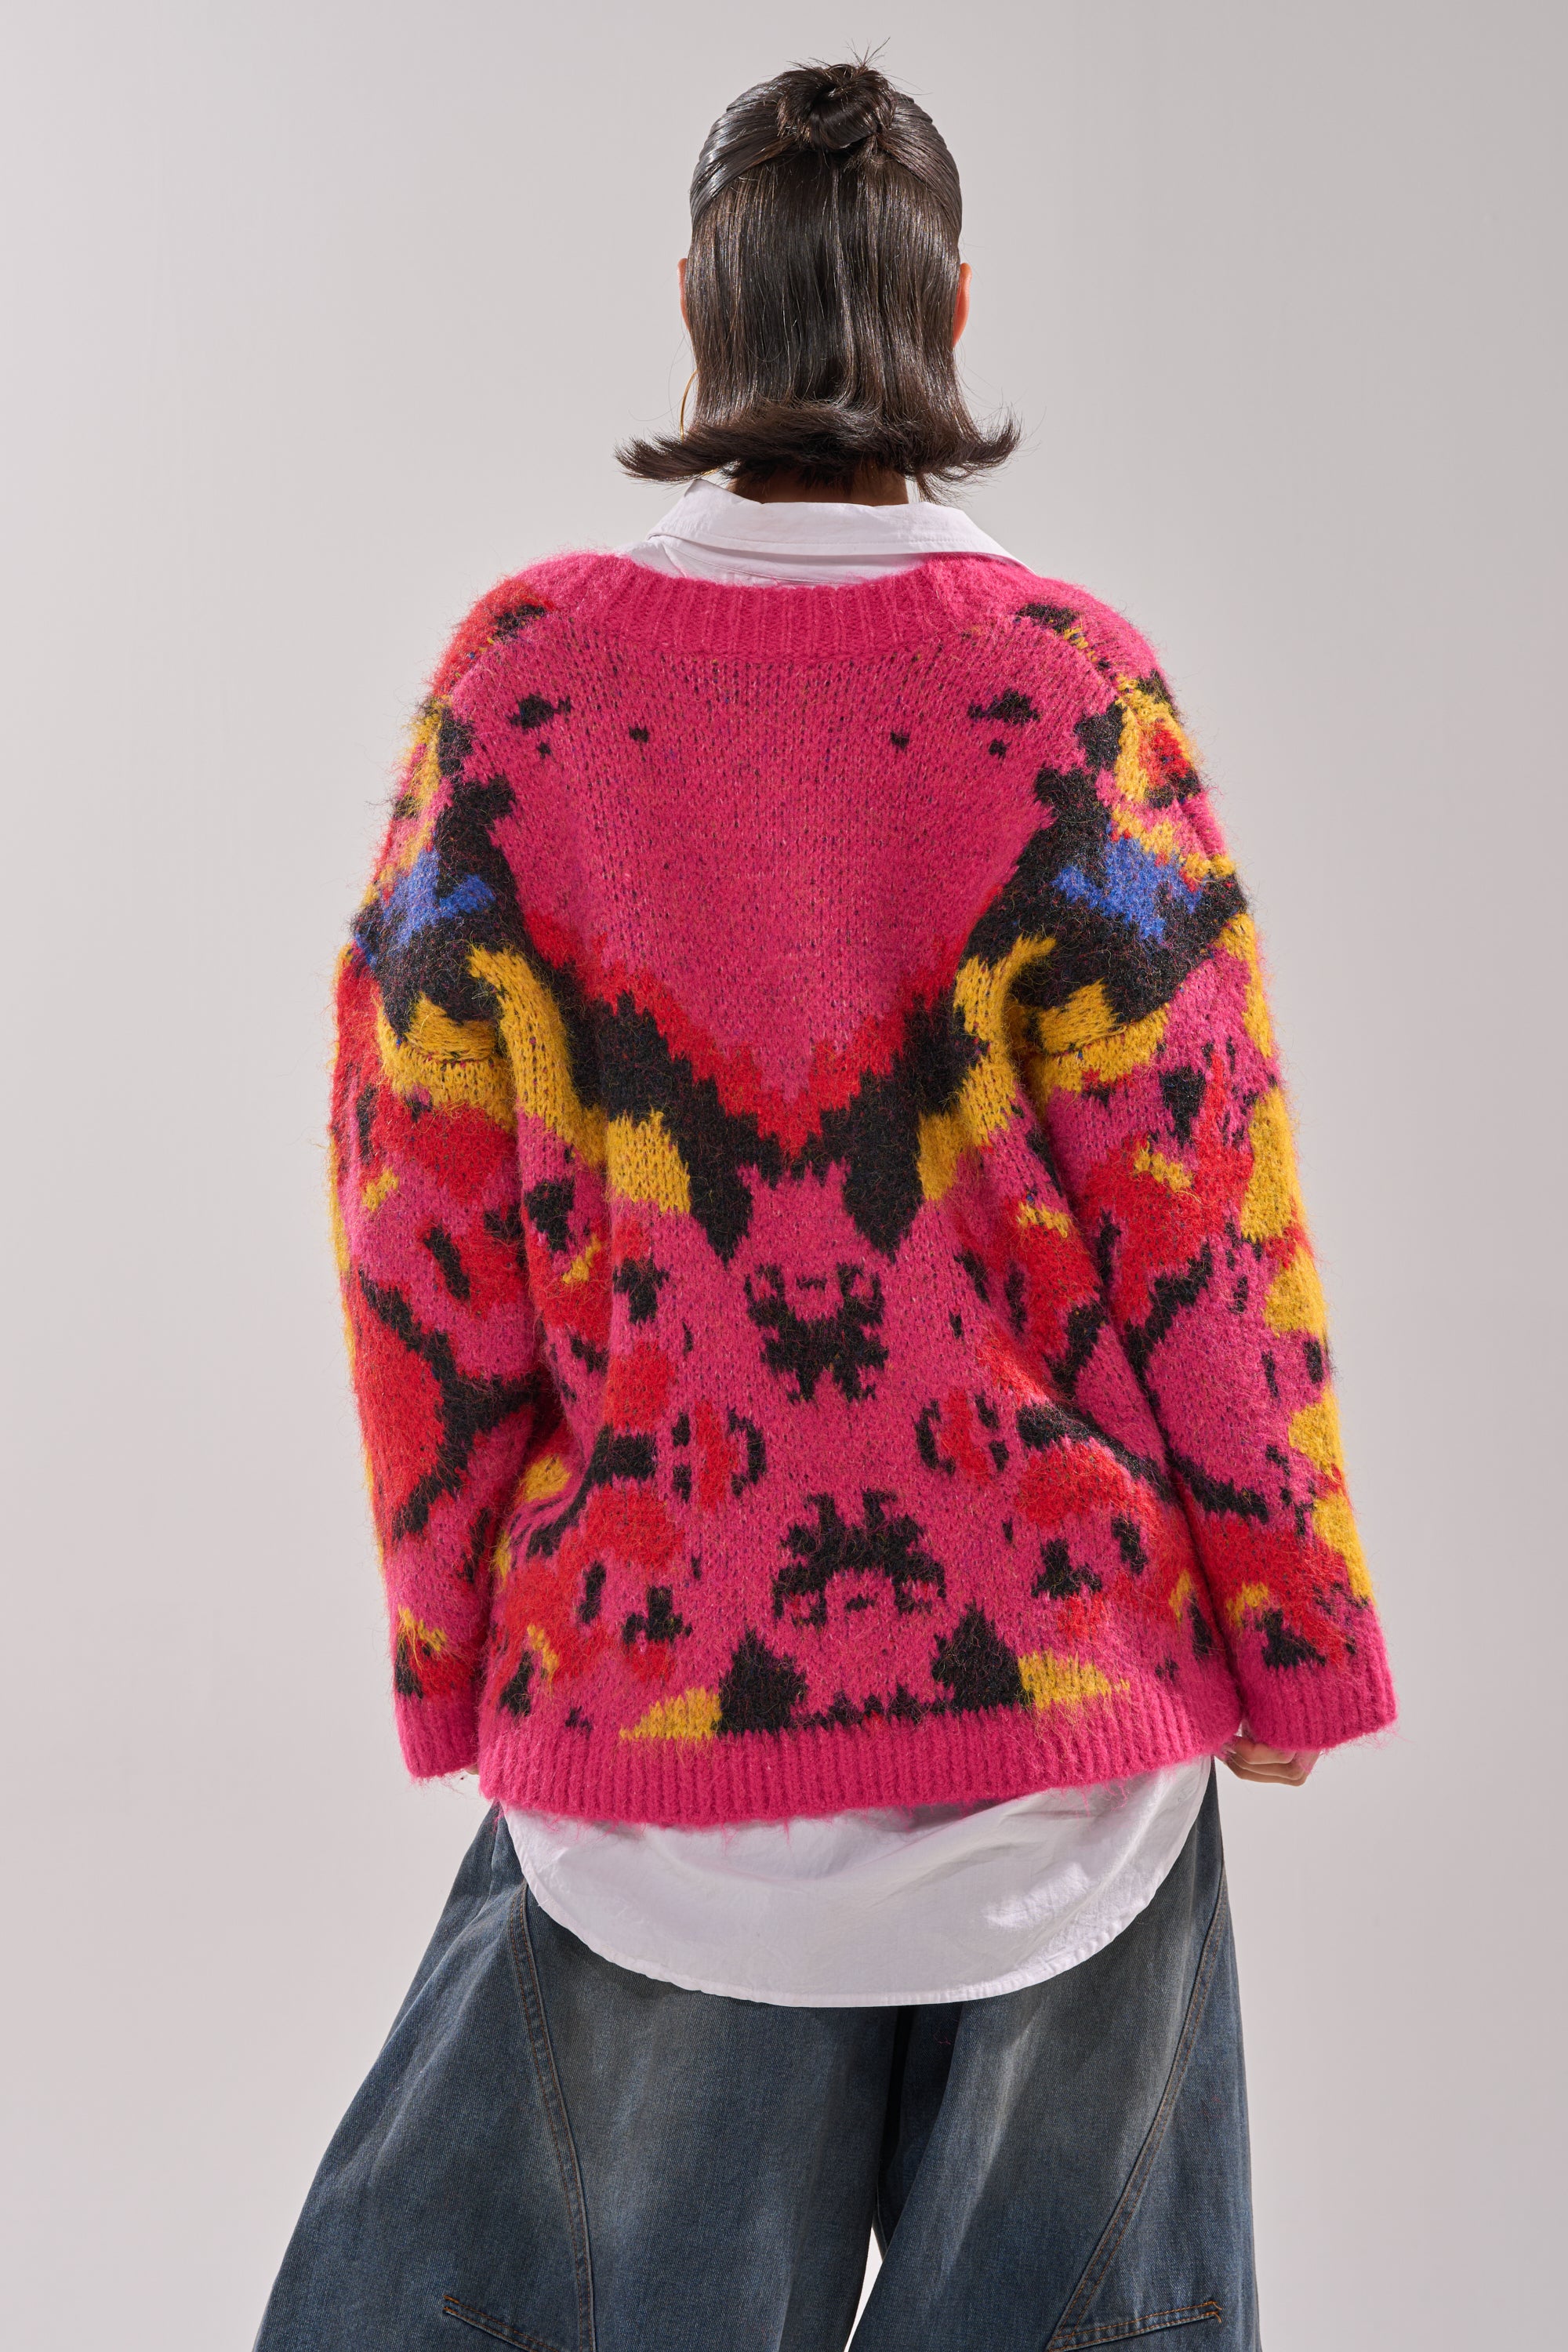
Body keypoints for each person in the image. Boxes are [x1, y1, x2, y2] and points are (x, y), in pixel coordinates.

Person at [254, 56, 1396, 2352]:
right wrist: (1292, 1631)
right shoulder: (1069, 696)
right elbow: (1205, 1215)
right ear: (952, 312)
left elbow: (411, 1220)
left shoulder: (520, 697)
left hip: (658, 1718)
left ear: (697, 308)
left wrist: (458, 1636)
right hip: (1068, 1731)